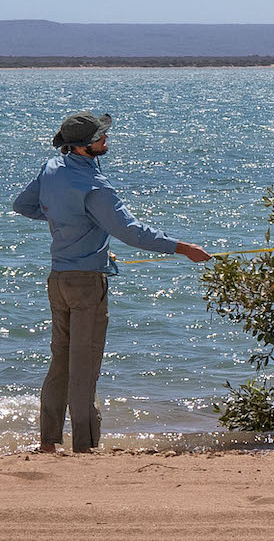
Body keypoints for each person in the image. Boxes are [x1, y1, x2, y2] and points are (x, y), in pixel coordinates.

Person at [11, 112, 212, 454]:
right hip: (87, 285)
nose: (107, 140)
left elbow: (23, 205)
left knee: (60, 361)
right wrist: (183, 248)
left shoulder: (51, 169)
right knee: (84, 365)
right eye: (101, 137)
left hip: (57, 281)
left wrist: (66, 218)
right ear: (83, 145)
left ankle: (48, 442)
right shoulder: (95, 186)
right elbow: (131, 232)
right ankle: (85, 447)